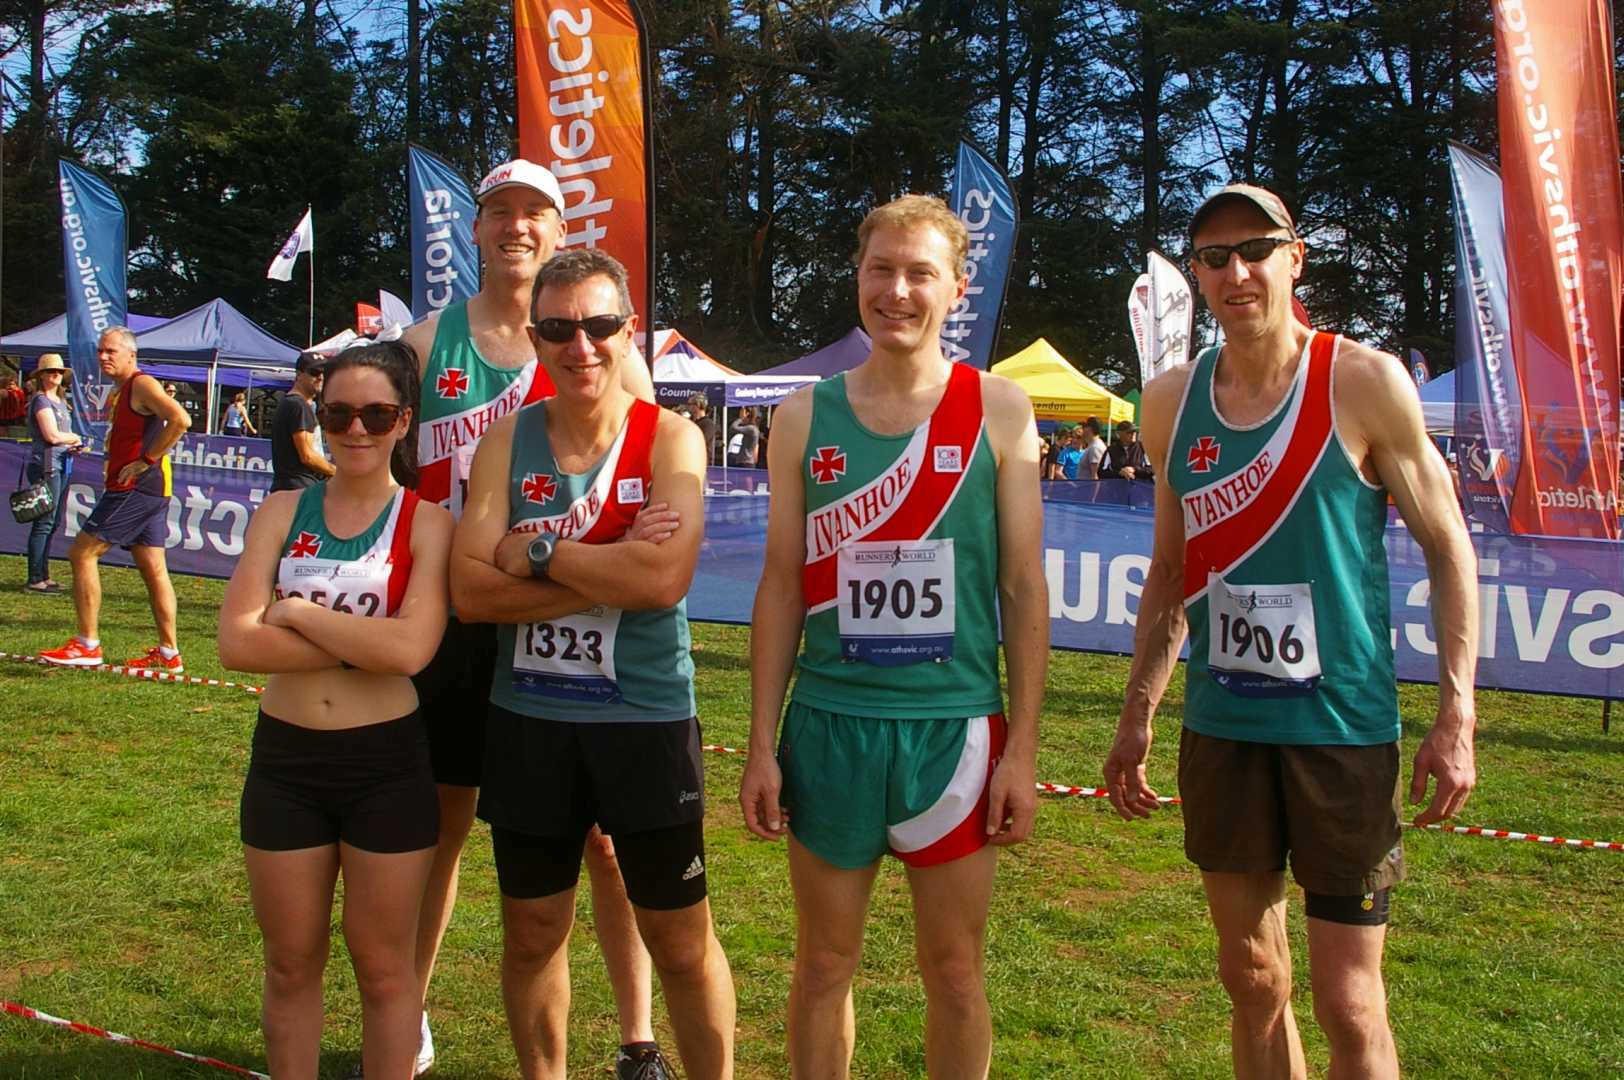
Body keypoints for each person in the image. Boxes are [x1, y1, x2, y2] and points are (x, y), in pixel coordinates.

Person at [1102, 183, 1479, 1079]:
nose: (1237, 272)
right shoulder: (1170, 403)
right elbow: (1169, 573)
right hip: (1226, 729)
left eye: (1256, 249)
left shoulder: (1361, 379)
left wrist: (1456, 715)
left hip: (1341, 733)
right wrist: (1136, 712)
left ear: (1295, 258)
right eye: (1214, 257)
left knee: (1350, 1006)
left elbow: (1450, 549)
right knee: (1252, 977)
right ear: (1197, 274)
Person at [739, 194, 1047, 1078]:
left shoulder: (1000, 410)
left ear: (956, 287)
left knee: (953, 970)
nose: (898, 291)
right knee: (824, 966)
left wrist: (1023, 750)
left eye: (920, 273)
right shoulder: (802, 415)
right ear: (858, 277)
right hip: (830, 723)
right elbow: (782, 586)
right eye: (882, 269)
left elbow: (1024, 591)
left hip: (952, 731)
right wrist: (760, 742)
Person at [399, 157, 668, 1078]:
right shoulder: (429, 337)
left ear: (560, 233)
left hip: (575, 617)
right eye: (500, 213)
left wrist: (559, 559)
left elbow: (646, 481)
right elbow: (378, 457)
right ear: (475, 230)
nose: (516, 227)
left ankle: (637, 1039)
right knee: (438, 824)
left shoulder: (602, 341)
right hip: (457, 618)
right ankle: (411, 1017)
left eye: (535, 214)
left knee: (603, 838)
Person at [451, 249, 736, 1079]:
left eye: (602, 325)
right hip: (531, 722)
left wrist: (535, 549)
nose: (582, 347)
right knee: (534, 931)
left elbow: (663, 578)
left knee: (680, 940)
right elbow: (469, 593)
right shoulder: (506, 440)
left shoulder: (670, 438)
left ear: (629, 330)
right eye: (560, 329)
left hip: (644, 723)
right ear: (536, 337)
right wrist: (604, 564)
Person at [218, 342, 454, 1080]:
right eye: (338, 412)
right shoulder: (283, 509)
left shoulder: (428, 522)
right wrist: (364, 642)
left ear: (403, 422)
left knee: (386, 973)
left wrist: (297, 611)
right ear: (319, 415)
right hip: (287, 763)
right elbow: (235, 643)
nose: (355, 429)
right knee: (290, 965)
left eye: (375, 414)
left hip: (387, 765)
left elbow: (413, 651)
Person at [40, 328, 192, 672]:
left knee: (82, 552)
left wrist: (146, 460)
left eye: (110, 351)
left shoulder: (141, 383)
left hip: (135, 489)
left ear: (130, 355)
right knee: (155, 571)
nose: (103, 357)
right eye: (100, 351)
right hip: (150, 490)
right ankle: (169, 654)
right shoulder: (123, 391)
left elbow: (181, 419)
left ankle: (87, 644)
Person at [22, 354, 82, 593]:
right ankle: (36, 578)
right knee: (44, 522)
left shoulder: (59, 402)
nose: (55, 375)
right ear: (41, 376)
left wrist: (73, 444)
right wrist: (75, 438)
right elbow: (51, 436)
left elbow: (59, 436)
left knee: (52, 522)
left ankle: (43, 576)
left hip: (61, 463)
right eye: (50, 372)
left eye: (58, 371)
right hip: (46, 465)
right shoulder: (41, 401)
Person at [272, 354, 336, 492]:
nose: (320, 377)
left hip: (293, 487)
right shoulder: (298, 405)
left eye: (324, 373)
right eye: (314, 372)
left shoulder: (292, 403)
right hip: (298, 487)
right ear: (299, 375)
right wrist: (336, 472)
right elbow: (307, 456)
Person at [687, 392, 717, 466]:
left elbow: (702, 441)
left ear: (699, 405)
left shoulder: (708, 424)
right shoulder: (688, 421)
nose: (689, 407)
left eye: (691, 404)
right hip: (688, 460)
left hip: (701, 462)